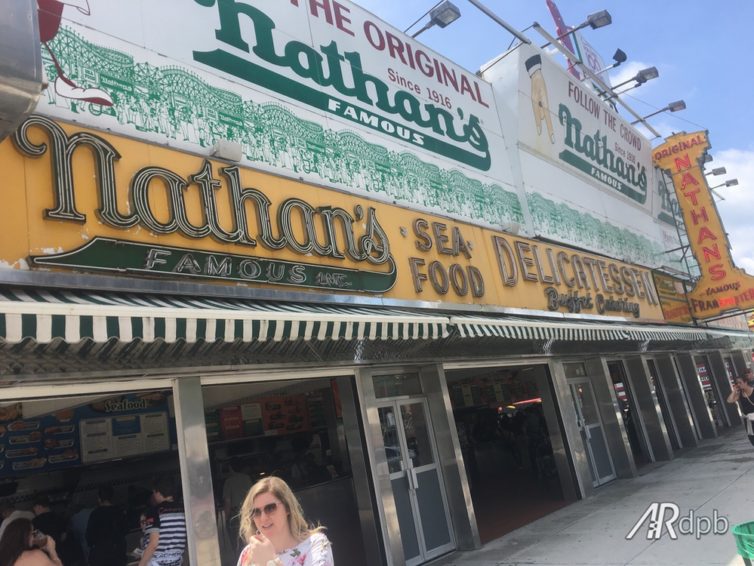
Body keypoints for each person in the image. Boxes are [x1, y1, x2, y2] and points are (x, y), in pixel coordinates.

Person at [236, 477, 333, 566]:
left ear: (287, 508)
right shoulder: (248, 553)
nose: (263, 518)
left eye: (270, 508)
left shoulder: (315, 544)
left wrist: (270, 562)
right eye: (255, 512)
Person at [138, 476, 186, 566]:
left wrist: (141, 564)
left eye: (154, 492)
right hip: (176, 561)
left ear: (158, 492)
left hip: (156, 562)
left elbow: (153, 543)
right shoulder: (184, 509)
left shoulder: (155, 511)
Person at [86, 486, 126, 566]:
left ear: (99, 499)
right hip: (118, 550)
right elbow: (125, 529)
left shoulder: (95, 514)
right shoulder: (119, 511)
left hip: (101, 553)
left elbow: (89, 536)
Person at [223, 459, 253, 552]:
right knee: (251, 542)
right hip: (249, 514)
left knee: (238, 546)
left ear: (231, 468)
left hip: (236, 516)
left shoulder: (229, 481)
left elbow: (227, 502)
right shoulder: (247, 478)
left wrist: (226, 519)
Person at [727, 374, 754, 446]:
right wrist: (734, 391)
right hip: (748, 421)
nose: (738, 385)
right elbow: (729, 400)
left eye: (740, 382)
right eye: (737, 383)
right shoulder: (740, 394)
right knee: (752, 439)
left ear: (746, 382)